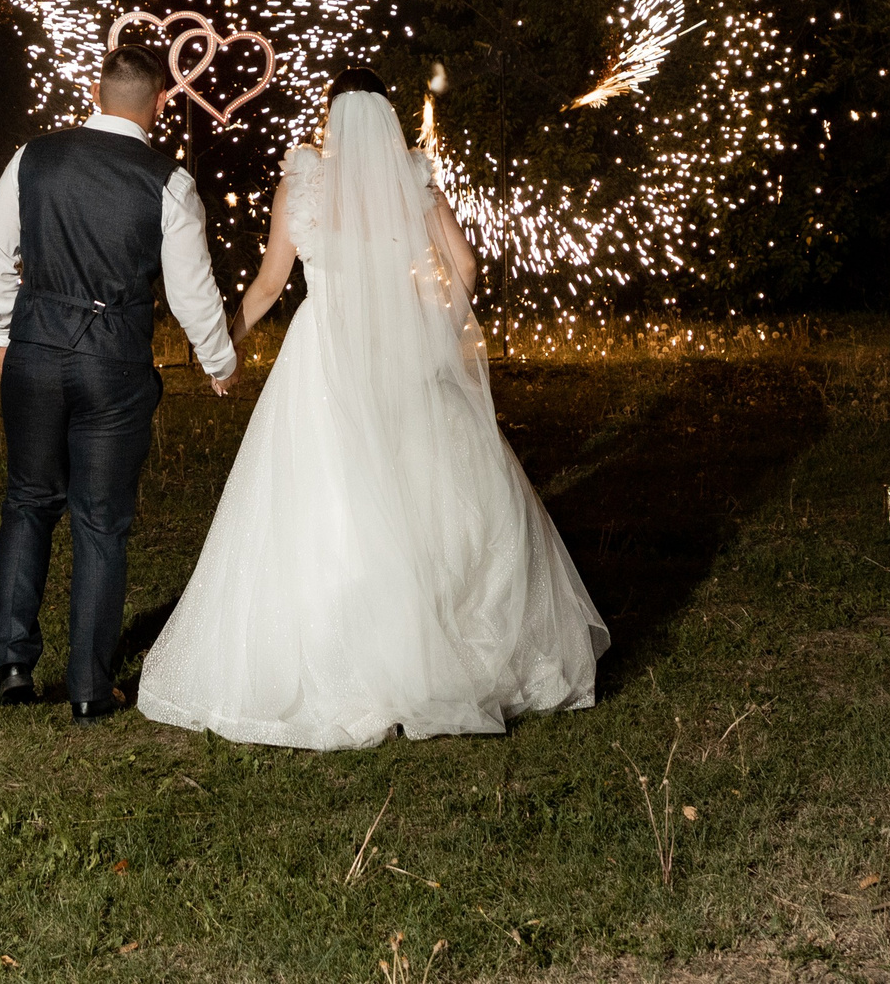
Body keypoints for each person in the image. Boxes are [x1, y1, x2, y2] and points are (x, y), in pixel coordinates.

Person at [136, 68, 608, 750]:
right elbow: (466, 267)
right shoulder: (413, 180)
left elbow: (269, 283)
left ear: (330, 117)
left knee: (327, 488)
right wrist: (434, 328)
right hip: (402, 349)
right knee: (422, 487)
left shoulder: (303, 184)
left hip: (325, 350)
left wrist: (227, 344)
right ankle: (433, 646)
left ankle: (343, 647)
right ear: (387, 118)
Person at [0, 44, 240, 721]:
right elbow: (191, 291)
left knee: (28, 500)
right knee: (100, 521)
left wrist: (5, 334)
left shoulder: (32, 157)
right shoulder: (169, 182)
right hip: (113, 363)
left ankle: (14, 664)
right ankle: (90, 688)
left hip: (35, 351)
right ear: (161, 103)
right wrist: (219, 361)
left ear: (96, 92)